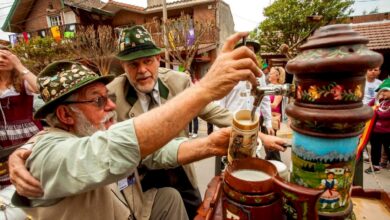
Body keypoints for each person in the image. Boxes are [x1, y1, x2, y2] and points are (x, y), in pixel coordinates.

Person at [7, 32, 266, 219]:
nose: (110, 107)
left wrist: (211, 143)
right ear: (65, 115)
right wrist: (206, 89)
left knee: (172, 198)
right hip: (133, 187)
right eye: (98, 101)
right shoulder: (52, 152)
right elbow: (104, 149)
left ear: (158, 60)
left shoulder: (176, 81)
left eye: (148, 61)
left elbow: (154, 151)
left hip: (137, 198)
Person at [0, 46, 42, 189]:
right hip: (2, 142)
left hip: (28, 137)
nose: (1, 60)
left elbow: (41, 89)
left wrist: (19, 66)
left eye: (5, 57)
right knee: (9, 179)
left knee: (34, 171)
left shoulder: (23, 83)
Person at [364, 78, 390, 174]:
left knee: (388, 150)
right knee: (375, 149)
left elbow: (384, 115)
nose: (383, 93)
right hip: (375, 130)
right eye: (381, 91)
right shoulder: (380, 101)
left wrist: (374, 111)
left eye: (386, 91)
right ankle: (375, 166)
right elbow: (368, 106)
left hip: (388, 132)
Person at [266, 66, 287, 161]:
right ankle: (270, 160)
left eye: (271, 73)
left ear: (277, 76)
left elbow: (274, 105)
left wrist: (262, 103)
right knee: (267, 140)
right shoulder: (267, 87)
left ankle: (277, 161)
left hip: (273, 117)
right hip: (265, 116)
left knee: (271, 140)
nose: (269, 75)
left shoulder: (279, 88)